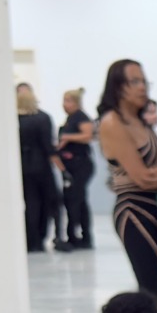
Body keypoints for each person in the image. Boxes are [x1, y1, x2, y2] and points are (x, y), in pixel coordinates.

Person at [96, 59, 157, 300]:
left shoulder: (139, 122)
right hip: (135, 209)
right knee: (153, 286)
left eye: (144, 82)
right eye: (134, 81)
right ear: (118, 86)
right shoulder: (112, 122)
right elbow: (144, 178)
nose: (142, 87)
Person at [16, 83, 62, 253]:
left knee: (30, 203)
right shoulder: (43, 118)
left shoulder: (14, 119)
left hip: (22, 166)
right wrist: (62, 168)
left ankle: (31, 240)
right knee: (46, 202)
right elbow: (48, 146)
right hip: (41, 166)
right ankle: (42, 237)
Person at [54, 87, 96, 251]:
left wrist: (67, 137)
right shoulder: (69, 119)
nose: (64, 104)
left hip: (80, 164)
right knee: (77, 200)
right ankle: (80, 236)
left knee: (74, 199)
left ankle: (76, 235)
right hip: (70, 165)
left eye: (68, 101)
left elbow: (88, 136)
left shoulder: (81, 117)